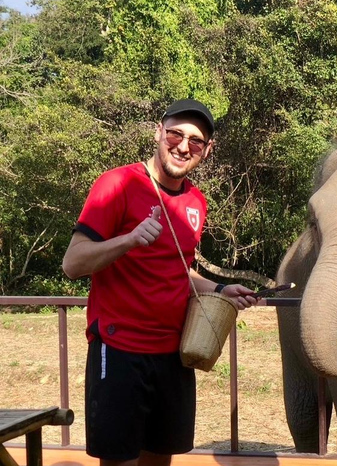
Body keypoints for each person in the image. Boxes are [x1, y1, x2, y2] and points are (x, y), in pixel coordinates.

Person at [62, 99, 259, 466]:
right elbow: (72, 263)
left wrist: (218, 289)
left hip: (174, 356)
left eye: (196, 141)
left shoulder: (196, 203)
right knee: (119, 461)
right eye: (175, 134)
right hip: (120, 349)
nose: (183, 146)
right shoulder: (117, 183)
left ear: (207, 150)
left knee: (160, 460)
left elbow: (179, 273)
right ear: (158, 132)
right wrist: (129, 240)